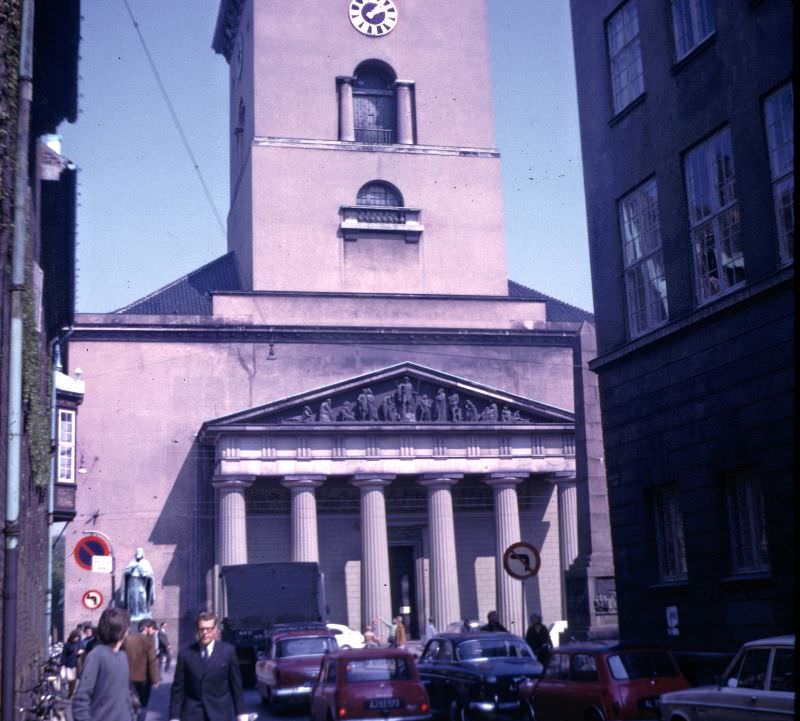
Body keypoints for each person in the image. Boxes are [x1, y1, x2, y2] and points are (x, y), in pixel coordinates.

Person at [169, 611, 247, 721]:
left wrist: (241, 713)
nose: (205, 633)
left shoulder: (228, 652)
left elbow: (236, 686)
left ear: (215, 629)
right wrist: (174, 717)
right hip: (193, 714)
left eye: (209, 629)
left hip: (221, 713)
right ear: (197, 630)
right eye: (202, 629)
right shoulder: (185, 654)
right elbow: (178, 689)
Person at [71, 607, 136, 721]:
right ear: (121, 630)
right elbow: (81, 699)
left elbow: (126, 696)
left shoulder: (123, 657)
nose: (128, 630)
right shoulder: (96, 656)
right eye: (127, 627)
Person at [125, 619, 160, 721]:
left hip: (129, 678)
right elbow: (152, 662)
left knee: (130, 704)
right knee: (143, 705)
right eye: (152, 629)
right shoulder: (149, 641)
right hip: (144, 679)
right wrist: (155, 679)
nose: (153, 632)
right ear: (147, 628)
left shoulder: (128, 640)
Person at [123, 547, 156, 621]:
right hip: (132, 583)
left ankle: (144, 614)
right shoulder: (132, 562)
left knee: (142, 599)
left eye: (140, 553)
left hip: (141, 584)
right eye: (137, 553)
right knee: (133, 600)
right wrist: (131, 569)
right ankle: (134, 614)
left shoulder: (146, 562)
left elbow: (150, 574)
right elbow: (126, 572)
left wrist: (143, 572)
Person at [61, 628, 83, 697]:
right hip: (69, 664)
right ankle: (71, 692)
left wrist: (81, 651)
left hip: (77, 664)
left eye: (77, 638)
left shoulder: (80, 643)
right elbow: (64, 654)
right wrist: (63, 664)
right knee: (70, 679)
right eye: (75, 637)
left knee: (75, 680)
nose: (76, 639)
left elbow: (83, 649)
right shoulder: (67, 644)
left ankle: (72, 693)